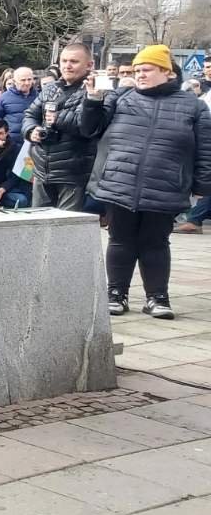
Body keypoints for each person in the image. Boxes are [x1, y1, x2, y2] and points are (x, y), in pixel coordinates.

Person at [84, 45, 211, 319]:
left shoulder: (194, 106)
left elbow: (205, 150)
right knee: (120, 240)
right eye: (138, 70)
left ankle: (158, 297)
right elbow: (89, 128)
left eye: (147, 69)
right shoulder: (121, 98)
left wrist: (202, 186)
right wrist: (93, 99)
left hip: (165, 185)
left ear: (166, 72)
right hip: (120, 182)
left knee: (156, 243)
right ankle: (116, 294)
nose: (140, 74)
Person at [23, 43, 98, 210]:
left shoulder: (96, 91)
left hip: (72, 173)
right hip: (42, 170)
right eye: (64, 61)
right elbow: (30, 115)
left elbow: (88, 127)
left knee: (65, 229)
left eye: (74, 61)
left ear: (89, 65)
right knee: (39, 225)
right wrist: (31, 130)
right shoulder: (50, 89)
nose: (67, 66)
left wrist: (58, 118)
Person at [0, 67, 38, 139]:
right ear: (15, 81)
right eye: (23, 80)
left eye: (29, 79)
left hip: (33, 140)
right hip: (12, 141)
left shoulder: (38, 97)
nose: (27, 83)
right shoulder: (4, 98)